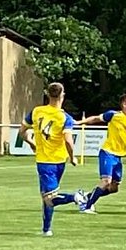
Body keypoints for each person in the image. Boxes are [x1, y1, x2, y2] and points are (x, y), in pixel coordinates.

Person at [18, 82, 85, 236]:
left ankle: (75, 197)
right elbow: (68, 141)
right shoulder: (64, 117)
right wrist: (72, 157)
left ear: (48, 94)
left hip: (45, 162)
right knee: (47, 196)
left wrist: (32, 143)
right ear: (62, 95)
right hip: (59, 161)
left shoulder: (36, 112)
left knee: (49, 198)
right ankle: (46, 229)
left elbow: (22, 131)